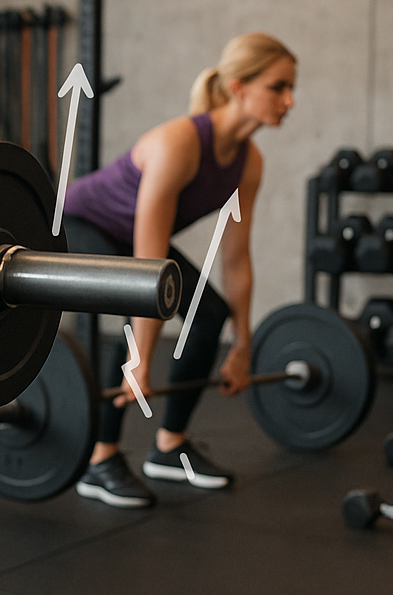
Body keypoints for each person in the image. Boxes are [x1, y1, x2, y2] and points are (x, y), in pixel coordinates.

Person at [61, 32, 296, 508]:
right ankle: (99, 458)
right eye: (278, 87)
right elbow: (149, 271)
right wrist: (142, 358)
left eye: (292, 88)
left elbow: (235, 258)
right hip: (75, 223)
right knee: (138, 313)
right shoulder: (179, 143)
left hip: (129, 236)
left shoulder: (249, 163)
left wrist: (244, 343)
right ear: (237, 87)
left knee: (209, 313)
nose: (290, 101)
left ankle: (169, 446)